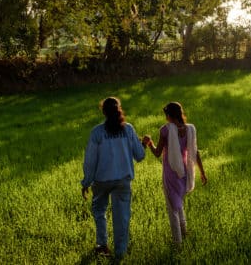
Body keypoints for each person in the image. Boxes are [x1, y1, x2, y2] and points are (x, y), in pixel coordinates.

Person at [81, 97, 145, 259]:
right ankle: (120, 252)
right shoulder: (128, 129)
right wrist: (143, 144)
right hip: (123, 180)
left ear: (104, 112)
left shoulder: (97, 132)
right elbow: (140, 155)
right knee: (122, 216)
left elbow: (90, 161)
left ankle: (102, 245)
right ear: (119, 110)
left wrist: (86, 182)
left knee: (99, 210)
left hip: (101, 181)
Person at [143, 102, 207, 247]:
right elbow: (195, 152)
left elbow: (157, 153)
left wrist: (149, 142)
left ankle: (177, 243)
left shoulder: (166, 130)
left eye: (166, 115)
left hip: (171, 173)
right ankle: (184, 232)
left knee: (173, 209)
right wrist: (202, 173)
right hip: (184, 172)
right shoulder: (190, 129)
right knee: (179, 205)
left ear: (169, 115)